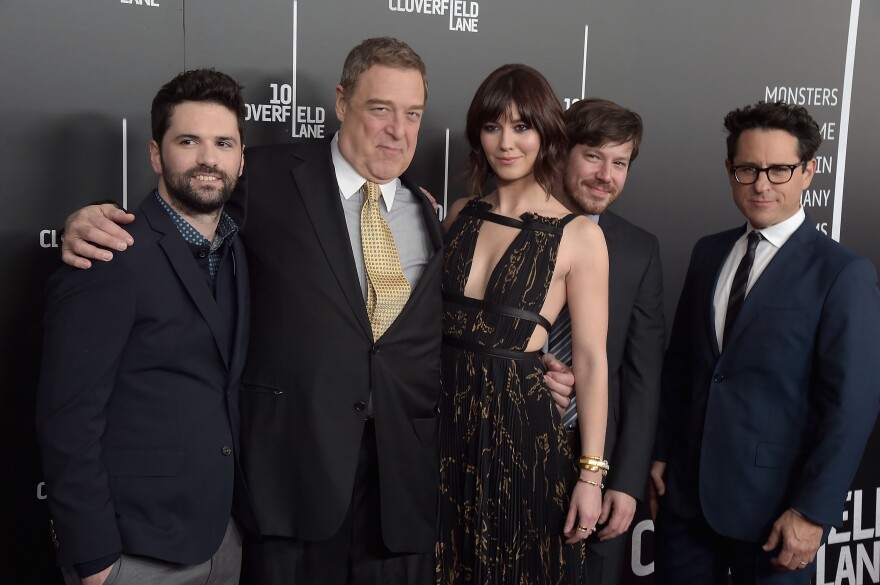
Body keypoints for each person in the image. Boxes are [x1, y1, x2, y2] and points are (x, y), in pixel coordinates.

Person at [58, 40, 575, 585]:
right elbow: (185, 209)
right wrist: (89, 221)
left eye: (412, 114)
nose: (397, 131)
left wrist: (521, 366)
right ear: (342, 102)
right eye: (380, 109)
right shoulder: (264, 175)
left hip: (402, 492)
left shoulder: (429, 211)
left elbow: (450, 326)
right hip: (292, 486)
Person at [649, 100, 880, 584]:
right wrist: (662, 453)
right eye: (748, 169)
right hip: (685, 503)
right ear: (729, 170)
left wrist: (812, 512)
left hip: (777, 514)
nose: (761, 184)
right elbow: (682, 366)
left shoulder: (842, 273)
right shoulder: (708, 252)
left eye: (779, 170)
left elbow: (852, 406)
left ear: (808, 172)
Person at [36, 69, 250, 585]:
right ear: (156, 154)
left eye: (223, 143)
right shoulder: (108, 252)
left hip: (224, 540)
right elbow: (67, 419)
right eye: (188, 141)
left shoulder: (239, 248)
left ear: (242, 159)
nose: (208, 158)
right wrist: (95, 561)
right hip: (135, 551)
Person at [437, 63, 609, 584]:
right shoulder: (459, 213)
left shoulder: (579, 235)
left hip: (521, 433)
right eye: (492, 127)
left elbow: (590, 361)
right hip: (441, 422)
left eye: (521, 127)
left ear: (546, 133)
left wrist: (591, 475)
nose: (506, 143)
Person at [548, 98, 665, 585]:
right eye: (593, 156)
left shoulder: (639, 249)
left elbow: (643, 375)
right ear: (561, 153)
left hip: (597, 462)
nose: (605, 176)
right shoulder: (512, 225)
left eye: (620, 163)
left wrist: (627, 480)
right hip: (506, 440)